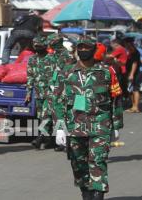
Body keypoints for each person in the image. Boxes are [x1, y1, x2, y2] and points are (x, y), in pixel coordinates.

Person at [54, 36, 123, 200]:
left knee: (98, 162)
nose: (84, 50)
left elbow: (116, 99)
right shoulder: (67, 73)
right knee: (78, 165)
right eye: (81, 47)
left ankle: (98, 194)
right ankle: (86, 193)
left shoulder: (106, 72)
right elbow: (57, 101)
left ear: (94, 50)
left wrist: (116, 126)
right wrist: (59, 129)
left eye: (87, 48)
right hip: (75, 127)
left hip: (101, 126)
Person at [41, 33, 76, 151]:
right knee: (56, 114)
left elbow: (67, 73)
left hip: (66, 89)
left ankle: (68, 142)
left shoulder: (67, 56)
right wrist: (52, 82)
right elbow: (56, 71)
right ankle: (60, 141)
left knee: (67, 114)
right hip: (55, 88)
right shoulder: (54, 55)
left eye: (51, 43)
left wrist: (56, 82)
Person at [25, 35, 49, 149]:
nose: (37, 47)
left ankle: (40, 137)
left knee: (46, 115)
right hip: (38, 92)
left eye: (40, 45)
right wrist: (28, 93)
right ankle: (47, 138)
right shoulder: (32, 59)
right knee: (40, 116)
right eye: (36, 45)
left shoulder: (51, 59)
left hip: (51, 93)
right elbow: (30, 77)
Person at [123, 37, 141, 113]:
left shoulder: (134, 51)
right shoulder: (131, 51)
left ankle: (136, 107)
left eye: (125, 43)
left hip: (136, 73)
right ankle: (133, 106)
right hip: (134, 73)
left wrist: (131, 74)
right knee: (132, 89)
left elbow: (135, 63)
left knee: (135, 89)